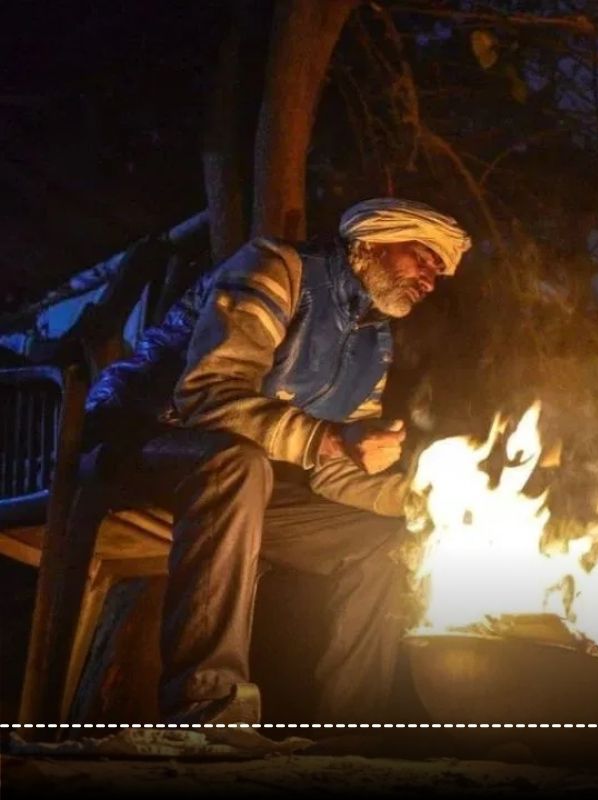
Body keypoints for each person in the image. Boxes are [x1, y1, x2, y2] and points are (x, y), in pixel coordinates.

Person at [81, 198, 471, 725]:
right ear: (372, 241)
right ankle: (207, 706)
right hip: (138, 446)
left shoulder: (372, 342)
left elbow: (334, 471)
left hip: (237, 485)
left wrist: (433, 503)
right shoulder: (276, 270)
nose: (431, 278)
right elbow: (208, 397)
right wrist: (333, 439)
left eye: (439, 272)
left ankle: (354, 731)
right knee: (237, 465)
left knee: (383, 539)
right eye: (422, 257)